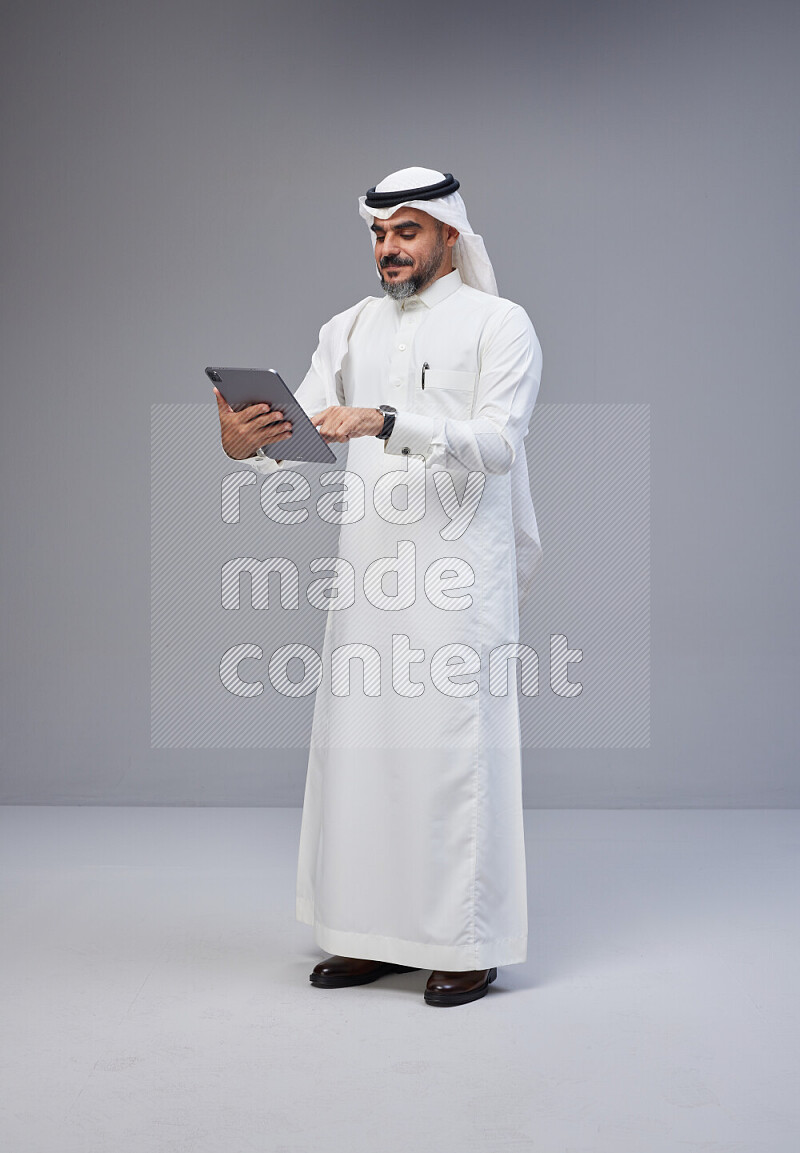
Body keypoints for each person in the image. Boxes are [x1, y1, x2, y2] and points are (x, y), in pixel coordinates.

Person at [214, 167, 543, 1007]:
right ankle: (368, 935)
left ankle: (465, 941)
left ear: (448, 236)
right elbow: (302, 426)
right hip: (368, 574)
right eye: (377, 233)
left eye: (405, 231)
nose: (387, 248)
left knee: (450, 759)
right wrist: (241, 437)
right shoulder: (351, 327)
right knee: (363, 754)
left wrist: (388, 420)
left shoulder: (499, 325)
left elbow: (499, 443)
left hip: (460, 579)